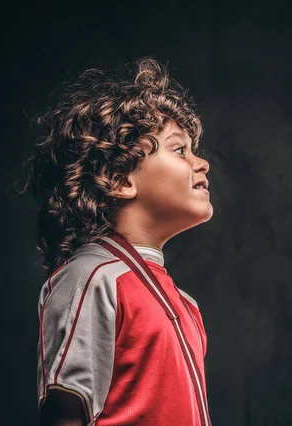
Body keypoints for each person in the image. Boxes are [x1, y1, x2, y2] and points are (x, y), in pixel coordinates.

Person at [20, 57, 214, 426]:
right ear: (120, 180)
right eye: (179, 149)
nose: (202, 162)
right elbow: (65, 415)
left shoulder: (186, 305)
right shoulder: (93, 276)